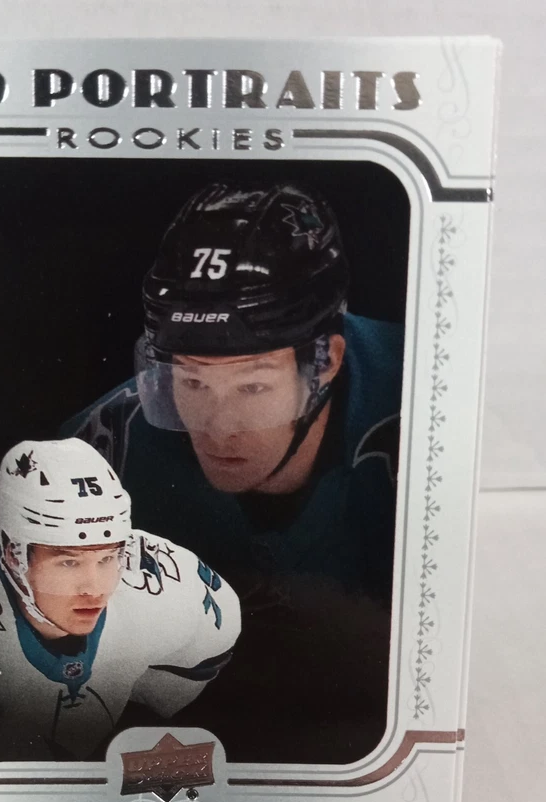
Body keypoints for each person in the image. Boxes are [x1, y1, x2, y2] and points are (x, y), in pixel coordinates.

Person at [61, 181, 403, 763]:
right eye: (192, 381)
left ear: (326, 362)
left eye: (252, 387)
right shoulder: (99, 453)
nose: (218, 429)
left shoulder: (423, 413)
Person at [0, 438, 241, 762]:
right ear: (14, 555)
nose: (94, 588)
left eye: (107, 558)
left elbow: (184, 689)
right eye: (69, 562)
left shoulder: (177, 590)